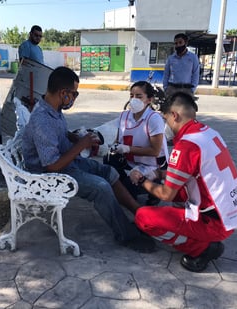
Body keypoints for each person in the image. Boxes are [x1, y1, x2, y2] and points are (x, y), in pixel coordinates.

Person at [21, 66, 155, 253]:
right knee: (100, 187)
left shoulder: (52, 108)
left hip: (65, 162)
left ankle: (142, 216)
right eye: (74, 94)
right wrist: (81, 145)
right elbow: (51, 166)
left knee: (109, 172)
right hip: (47, 176)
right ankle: (126, 234)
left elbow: (56, 134)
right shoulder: (42, 119)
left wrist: (75, 138)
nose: (74, 98)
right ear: (63, 93)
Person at [130, 92, 237, 272]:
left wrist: (141, 180)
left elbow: (165, 194)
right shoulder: (209, 133)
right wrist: (158, 173)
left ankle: (203, 248)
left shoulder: (186, 146)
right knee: (179, 194)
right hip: (230, 214)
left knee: (143, 217)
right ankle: (198, 234)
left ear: (174, 116)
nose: (167, 127)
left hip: (214, 223)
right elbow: (186, 173)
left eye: (166, 121)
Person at [105, 81, 169, 205]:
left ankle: (154, 184)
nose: (134, 100)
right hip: (131, 161)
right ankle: (128, 186)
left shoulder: (154, 119)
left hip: (152, 164)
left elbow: (155, 151)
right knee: (109, 160)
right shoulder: (124, 116)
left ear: (149, 99)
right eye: (131, 96)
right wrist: (112, 147)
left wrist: (128, 149)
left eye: (139, 96)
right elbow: (119, 140)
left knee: (129, 188)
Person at [163, 33, 200, 101]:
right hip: (172, 89)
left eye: (180, 42)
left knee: (187, 110)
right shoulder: (171, 58)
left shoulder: (193, 58)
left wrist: (192, 89)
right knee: (169, 110)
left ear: (186, 43)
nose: (178, 45)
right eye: (176, 43)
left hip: (187, 90)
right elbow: (166, 74)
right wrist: (165, 88)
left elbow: (196, 74)